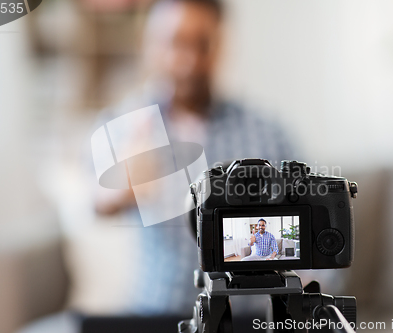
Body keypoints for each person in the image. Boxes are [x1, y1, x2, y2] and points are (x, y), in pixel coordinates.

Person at [19, 0, 298, 332]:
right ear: (148, 44)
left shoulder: (265, 132)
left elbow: (306, 229)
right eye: (175, 42)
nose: (187, 60)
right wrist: (118, 192)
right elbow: (90, 204)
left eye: (202, 43)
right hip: (157, 314)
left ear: (221, 45)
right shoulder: (123, 127)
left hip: (248, 318)